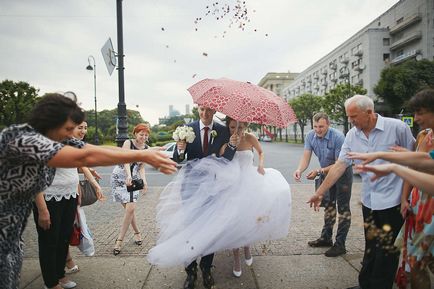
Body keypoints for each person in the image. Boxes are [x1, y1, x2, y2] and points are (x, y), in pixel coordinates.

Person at [0, 93, 177, 289]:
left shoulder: (60, 138)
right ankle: (51, 282)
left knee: (45, 247)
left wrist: (145, 152)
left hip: (14, 227)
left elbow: (94, 149)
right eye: (69, 128)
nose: (72, 133)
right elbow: (85, 156)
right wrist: (143, 154)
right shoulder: (22, 139)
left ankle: (57, 277)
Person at [147, 117, 291, 278]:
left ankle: (222, 259)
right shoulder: (199, 131)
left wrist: (257, 163)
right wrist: (181, 149)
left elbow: (247, 154)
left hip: (237, 181)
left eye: (241, 126)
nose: (237, 129)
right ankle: (195, 269)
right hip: (209, 183)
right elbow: (218, 156)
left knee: (238, 219)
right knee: (206, 222)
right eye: (233, 126)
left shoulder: (230, 133)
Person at [307, 94, 415, 289]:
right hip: (369, 200)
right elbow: (340, 165)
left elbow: (413, 162)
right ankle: (365, 284)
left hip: (394, 201)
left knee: (387, 251)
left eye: (353, 116)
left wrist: (407, 197)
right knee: (371, 246)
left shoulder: (397, 128)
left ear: (369, 113)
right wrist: (320, 192)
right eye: (348, 116)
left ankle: (379, 286)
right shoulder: (352, 135)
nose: (350, 121)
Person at [348, 88, 434, 289]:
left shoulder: (397, 128)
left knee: (409, 257)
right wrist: (384, 157)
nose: (416, 117)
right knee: (415, 261)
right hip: (416, 204)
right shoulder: (425, 135)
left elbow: (420, 162)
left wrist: (391, 165)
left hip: (413, 203)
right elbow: (422, 159)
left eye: (420, 112)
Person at [171, 106, 237, 289]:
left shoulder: (222, 130)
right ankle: (190, 271)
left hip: (213, 187)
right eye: (201, 109)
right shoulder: (187, 128)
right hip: (190, 186)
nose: (205, 114)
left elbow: (228, 159)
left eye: (208, 111)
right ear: (198, 109)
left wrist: (232, 145)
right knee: (190, 228)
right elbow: (178, 159)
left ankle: (206, 269)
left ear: (214, 111)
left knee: (210, 228)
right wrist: (180, 149)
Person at [293, 112, 352, 257]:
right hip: (326, 173)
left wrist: (319, 170)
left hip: (343, 173)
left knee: (343, 208)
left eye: (321, 126)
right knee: (329, 205)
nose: (318, 130)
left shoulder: (338, 137)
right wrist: (299, 169)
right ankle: (326, 238)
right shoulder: (310, 136)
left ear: (328, 125)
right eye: (315, 126)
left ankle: (340, 245)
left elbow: (339, 164)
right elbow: (306, 156)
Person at [65, 120, 104, 274]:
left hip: (71, 194)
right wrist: (95, 184)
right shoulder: (67, 145)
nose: (83, 131)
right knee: (64, 230)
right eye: (80, 128)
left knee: (68, 228)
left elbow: (78, 166)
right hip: (61, 194)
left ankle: (66, 261)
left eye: (85, 128)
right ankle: (65, 262)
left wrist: (90, 173)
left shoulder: (74, 145)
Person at [111, 123, 150, 255]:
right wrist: (128, 175)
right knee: (129, 211)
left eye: (146, 134)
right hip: (119, 177)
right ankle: (137, 233)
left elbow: (142, 167)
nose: (143, 137)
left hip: (134, 181)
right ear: (135, 134)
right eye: (141, 134)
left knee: (131, 209)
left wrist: (144, 181)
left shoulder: (147, 148)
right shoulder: (128, 143)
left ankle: (119, 241)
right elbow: (126, 160)